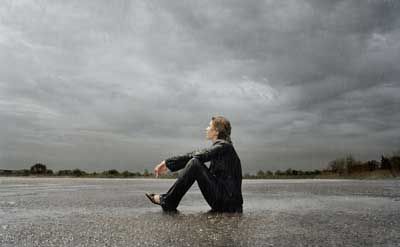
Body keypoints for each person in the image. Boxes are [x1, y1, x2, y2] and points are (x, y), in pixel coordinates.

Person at [145, 116, 243, 213]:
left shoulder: (224, 146)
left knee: (195, 163)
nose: (206, 129)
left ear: (216, 131)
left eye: (209, 126)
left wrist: (167, 163)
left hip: (228, 204)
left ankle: (168, 201)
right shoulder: (224, 148)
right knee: (195, 163)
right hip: (227, 203)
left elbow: (199, 155)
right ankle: (169, 201)